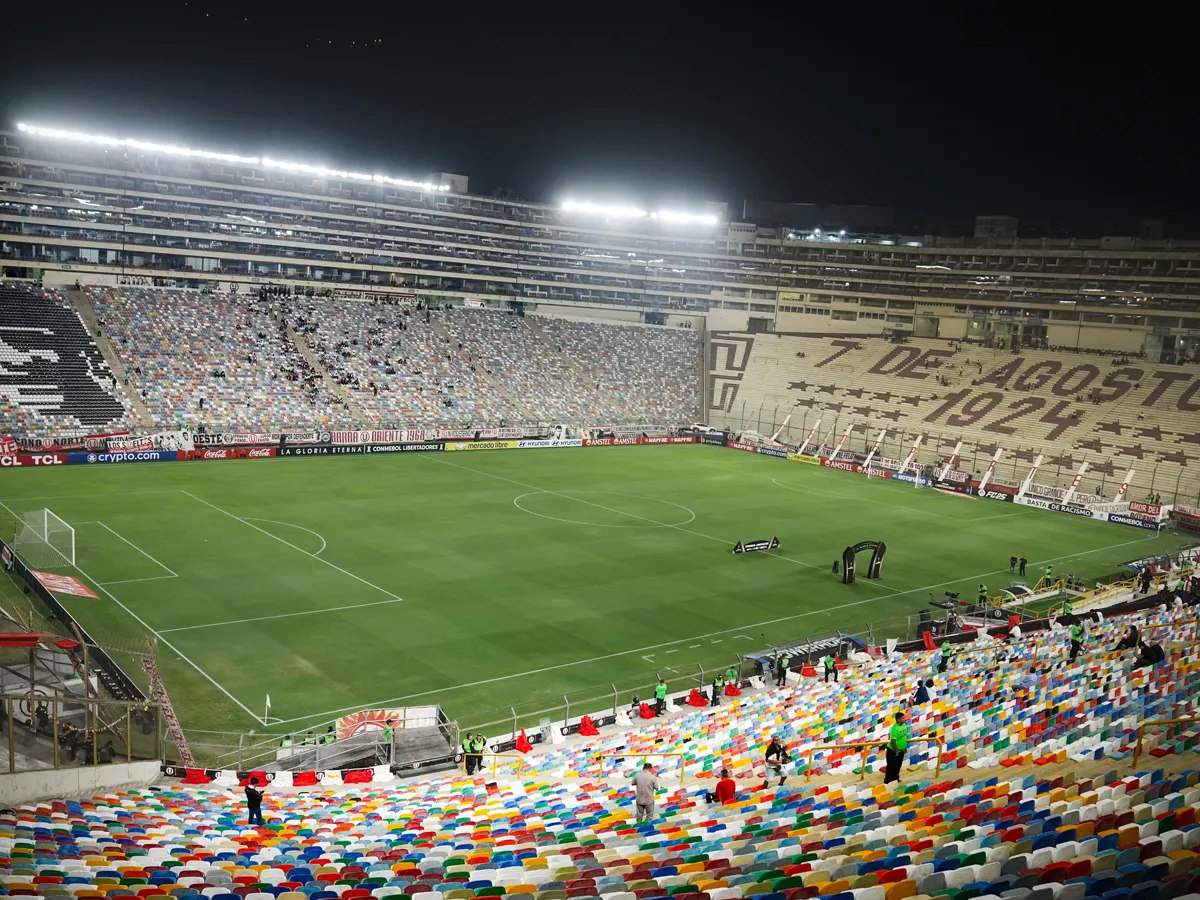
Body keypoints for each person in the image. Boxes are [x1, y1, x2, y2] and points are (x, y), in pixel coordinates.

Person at [883, 712, 909, 785]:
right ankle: (887, 781)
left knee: (898, 765)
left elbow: (904, 737)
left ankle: (896, 778)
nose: (905, 719)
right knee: (891, 766)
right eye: (903, 718)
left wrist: (904, 747)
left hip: (901, 750)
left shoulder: (904, 725)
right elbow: (893, 741)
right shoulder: (894, 728)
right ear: (898, 719)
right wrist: (896, 751)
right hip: (893, 750)